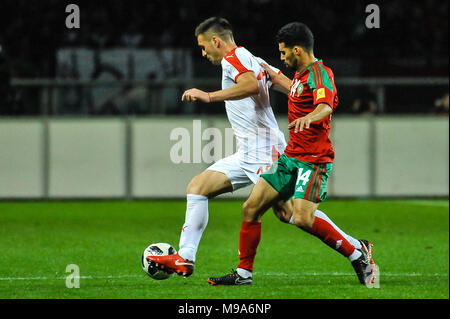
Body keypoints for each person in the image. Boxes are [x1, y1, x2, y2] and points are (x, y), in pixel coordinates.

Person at [207, 22, 377, 286]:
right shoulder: (298, 75)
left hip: (313, 160)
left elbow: (325, 106)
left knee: (301, 218)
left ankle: (358, 254)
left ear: (297, 50)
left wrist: (309, 117)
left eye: (284, 53)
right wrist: (264, 70)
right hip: (289, 158)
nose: (282, 57)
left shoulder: (320, 74)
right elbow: (285, 83)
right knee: (251, 207)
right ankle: (243, 274)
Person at [146, 17, 288, 277]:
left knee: (290, 213)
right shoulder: (254, 59)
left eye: (203, 47)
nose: (203, 53)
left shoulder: (232, 59)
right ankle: (185, 258)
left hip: (265, 150)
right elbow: (289, 87)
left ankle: (355, 250)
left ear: (215, 41)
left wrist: (208, 95)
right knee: (198, 187)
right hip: (248, 152)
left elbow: (250, 85)